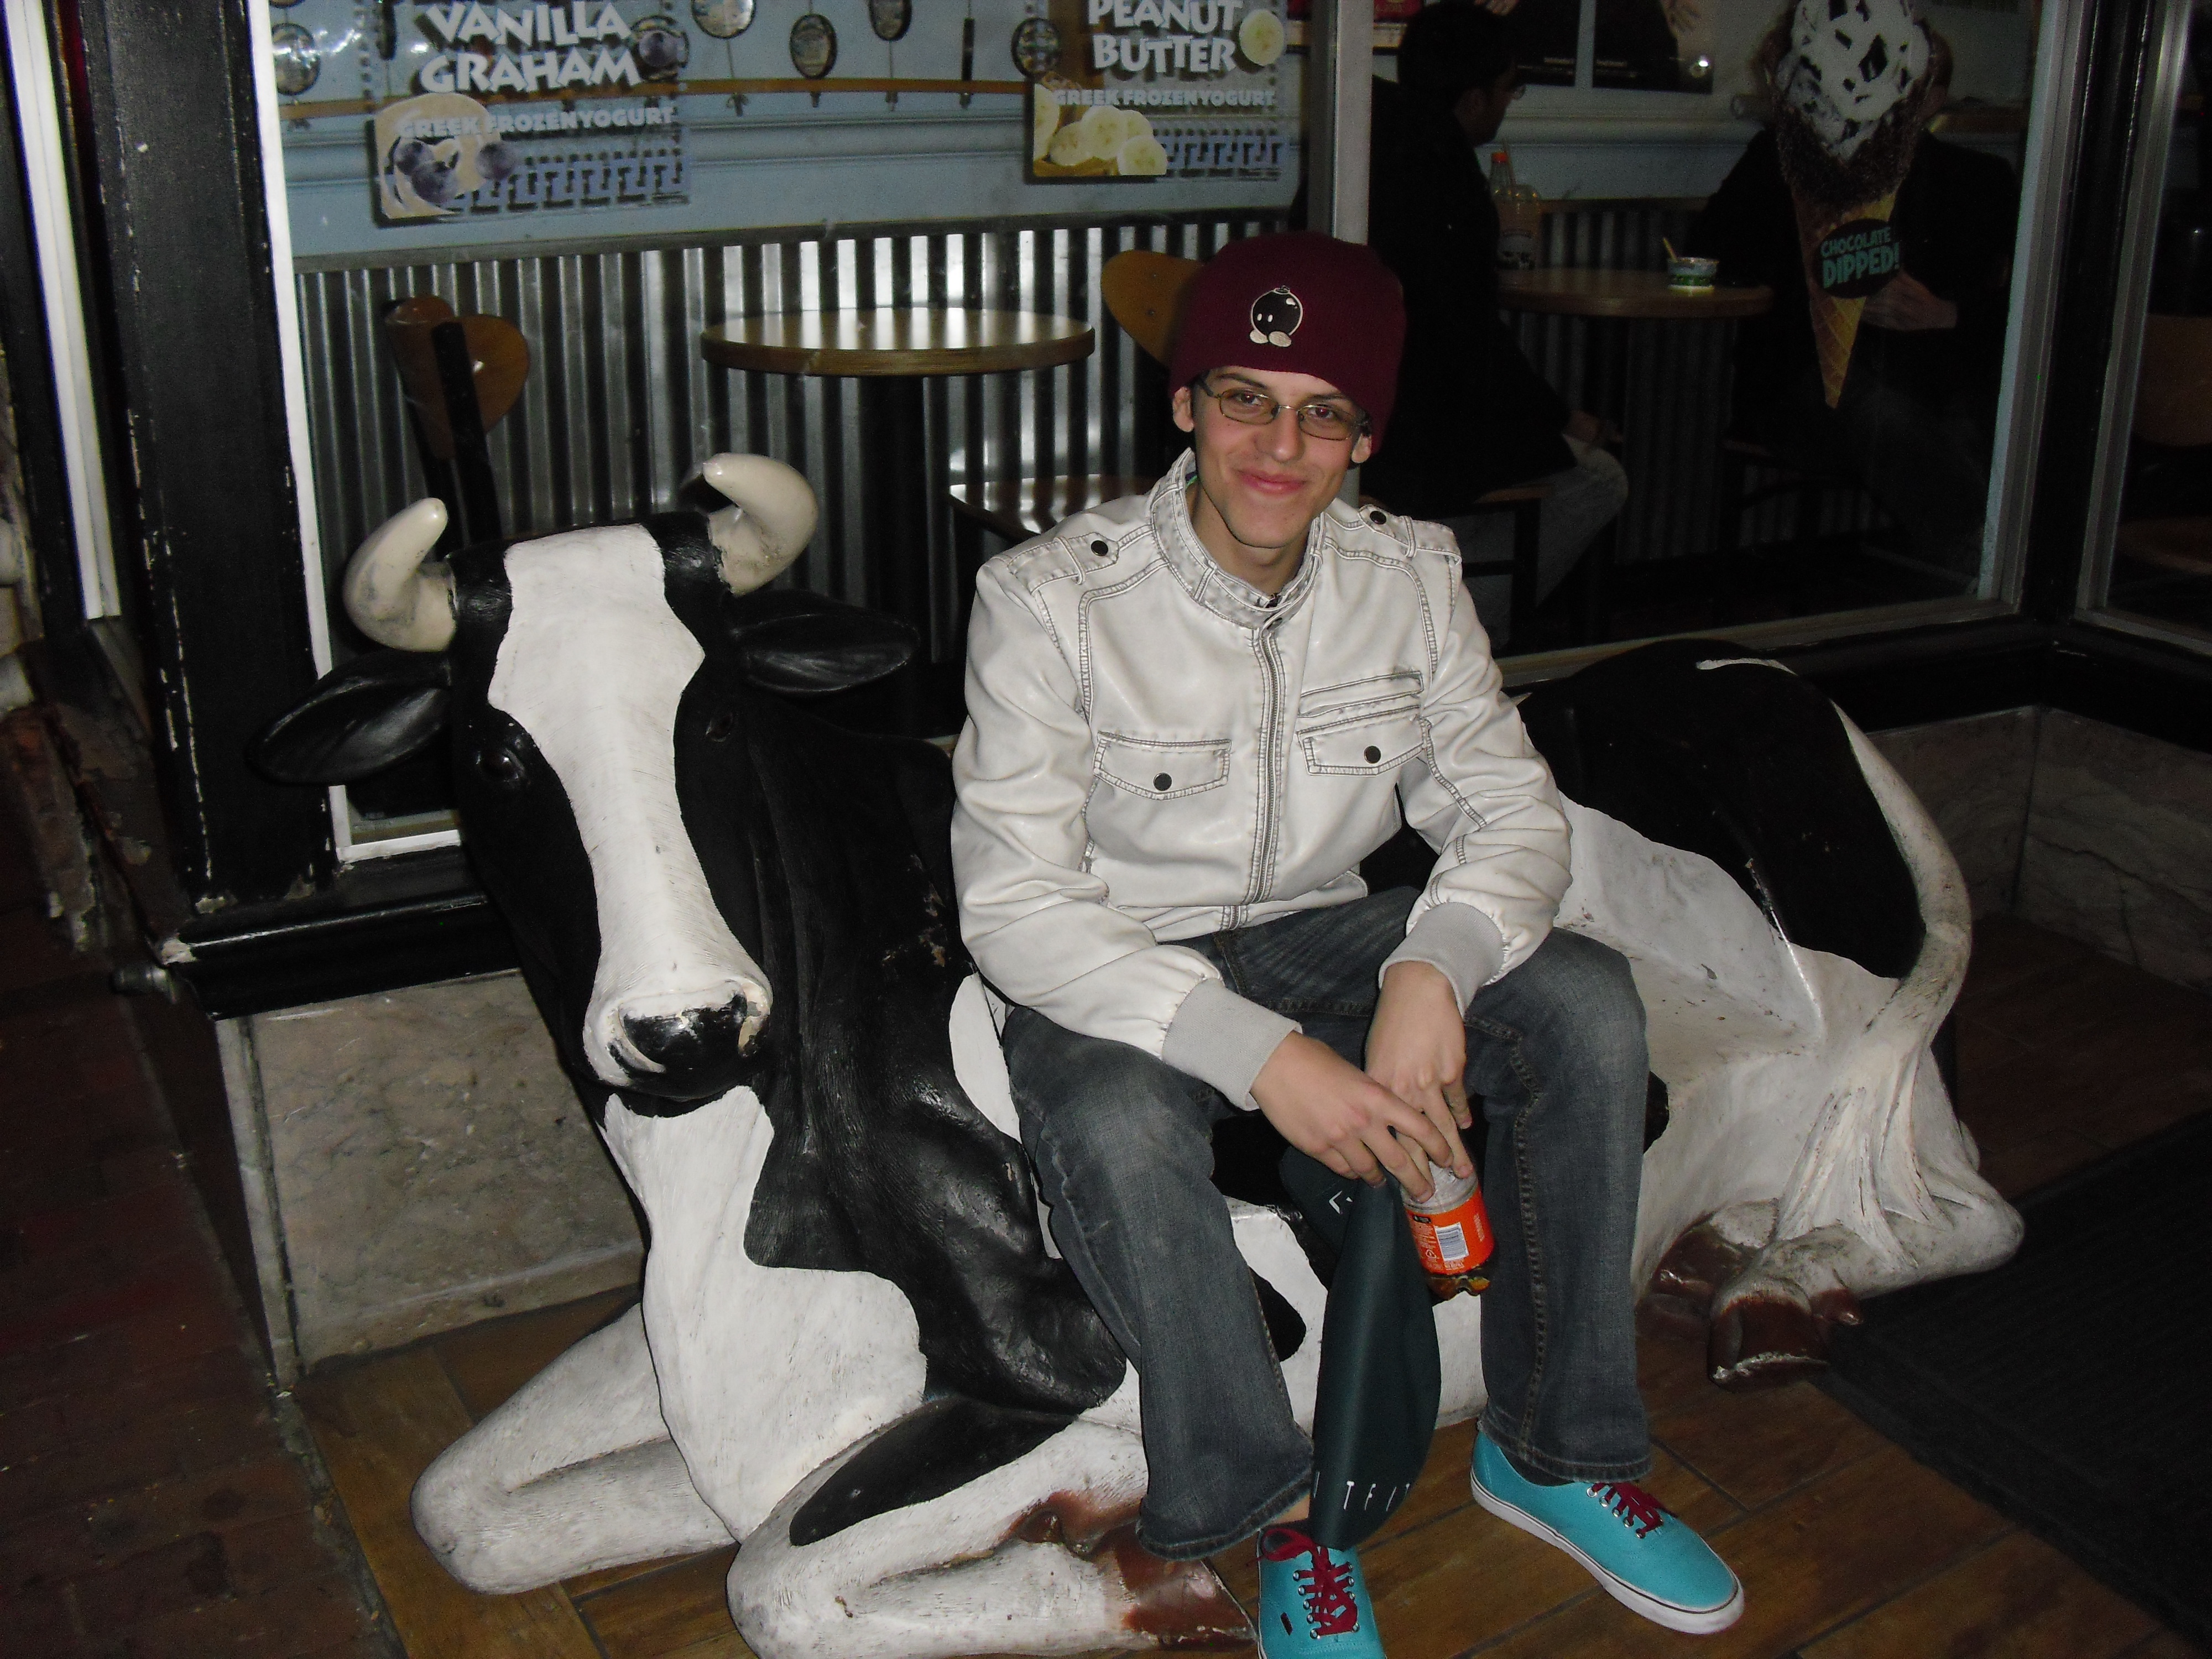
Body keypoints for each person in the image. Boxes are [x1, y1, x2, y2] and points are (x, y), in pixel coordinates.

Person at [951, 231, 1743, 1657]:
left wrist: (1433, 966)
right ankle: (1275, 1517)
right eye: (1243, 398)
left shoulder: (1410, 576)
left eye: (1322, 413)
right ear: (1182, 404)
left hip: (1321, 928)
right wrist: (1266, 1059)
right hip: (1109, 962)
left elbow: (1509, 808)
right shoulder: (1047, 597)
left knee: (1582, 1000)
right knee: (1118, 1121)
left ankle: (1553, 1450)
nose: (1279, 446)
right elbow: (1016, 906)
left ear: (1364, 436)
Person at [1687, 26, 2020, 577]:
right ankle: (1993, 563)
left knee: (1980, 419)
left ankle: (1978, 572)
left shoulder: (1977, 181)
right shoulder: (1786, 160)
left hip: (1937, 376)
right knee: (1885, 414)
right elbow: (1708, 255)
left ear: (1933, 100)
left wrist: (1947, 315)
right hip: (1811, 385)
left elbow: (2031, 305)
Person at [1360, 0, 1629, 646]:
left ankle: (1418, 607)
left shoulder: (1364, 139)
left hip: (1364, 416)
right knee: (1597, 479)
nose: (1509, 104)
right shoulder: (1445, 173)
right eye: (1509, 89)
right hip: (1415, 437)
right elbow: (1469, 338)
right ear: (1474, 97)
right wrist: (1564, 416)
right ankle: (1454, 637)